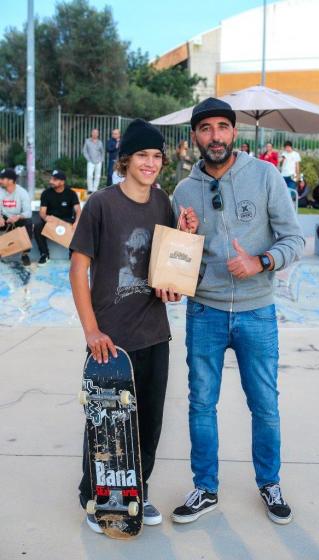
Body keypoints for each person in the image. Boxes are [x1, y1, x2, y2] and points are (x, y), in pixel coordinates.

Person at [170, 97, 305, 526]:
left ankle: (269, 483)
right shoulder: (184, 190)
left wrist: (260, 262)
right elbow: (180, 260)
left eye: (222, 127)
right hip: (204, 312)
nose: (215, 136)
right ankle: (205, 488)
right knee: (200, 404)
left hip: (256, 312)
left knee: (264, 404)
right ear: (195, 135)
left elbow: (294, 240)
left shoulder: (265, 176)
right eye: (205, 128)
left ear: (235, 132)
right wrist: (182, 236)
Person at [69, 119, 198, 534]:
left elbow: (167, 269)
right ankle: (96, 496)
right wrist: (91, 330)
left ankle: (135, 492)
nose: (151, 163)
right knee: (105, 424)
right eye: (142, 155)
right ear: (126, 159)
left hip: (154, 333)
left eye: (157, 156)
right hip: (111, 338)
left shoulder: (163, 202)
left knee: (149, 423)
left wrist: (185, 239)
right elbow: (78, 267)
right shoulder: (102, 204)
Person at [34, 170, 81, 265]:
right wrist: (46, 217)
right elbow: (42, 212)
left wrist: (77, 222)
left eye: (55, 179)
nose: (51, 181)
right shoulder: (46, 193)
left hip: (66, 220)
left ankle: (72, 253)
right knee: (38, 226)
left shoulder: (71, 193)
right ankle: (44, 254)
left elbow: (78, 210)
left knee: (78, 227)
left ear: (62, 182)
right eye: (51, 178)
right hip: (51, 220)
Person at [0, 168, 33, 266]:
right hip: (4, 218)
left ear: (11, 181)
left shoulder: (22, 192)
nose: (0, 181)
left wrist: (18, 216)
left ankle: (25, 254)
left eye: (2, 178)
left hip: (17, 219)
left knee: (28, 223)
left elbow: (28, 212)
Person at [83, 128, 104, 193]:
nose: (95, 134)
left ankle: (95, 190)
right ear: (91, 133)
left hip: (98, 161)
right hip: (90, 161)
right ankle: (90, 189)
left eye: (96, 133)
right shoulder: (87, 141)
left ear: (98, 134)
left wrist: (101, 159)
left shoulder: (100, 142)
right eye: (94, 132)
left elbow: (102, 152)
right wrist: (88, 159)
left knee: (97, 176)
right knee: (89, 175)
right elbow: (84, 151)